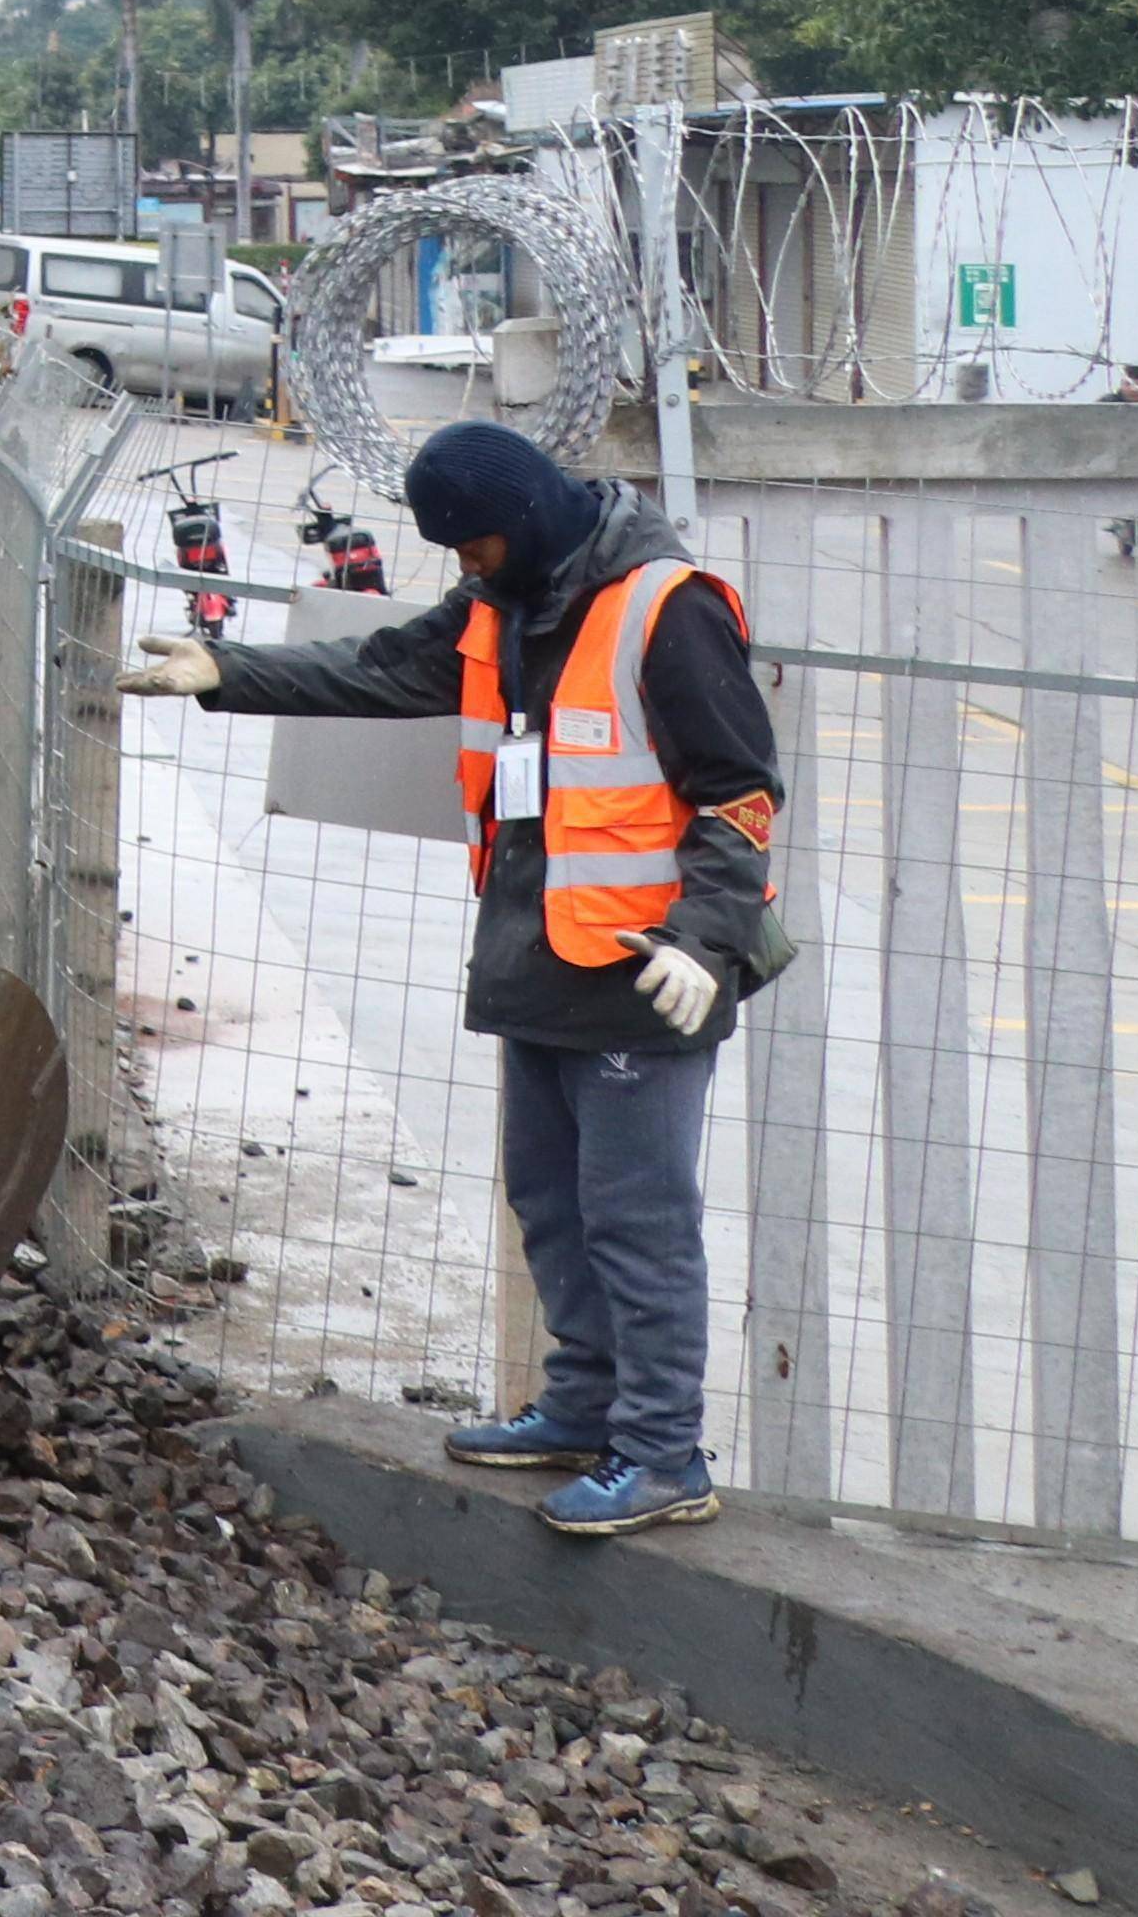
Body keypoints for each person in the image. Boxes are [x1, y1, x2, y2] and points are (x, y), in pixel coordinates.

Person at [119, 421, 782, 1536]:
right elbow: (380, 669)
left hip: (646, 971)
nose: (464, 567)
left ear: (522, 521)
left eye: (473, 544)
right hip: (540, 958)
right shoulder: (501, 603)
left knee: (638, 1220)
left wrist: (706, 942)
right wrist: (230, 669)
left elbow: (740, 790)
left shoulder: (668, 609)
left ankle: (664, 1449)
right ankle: (583, 1406)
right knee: (553, 1206)